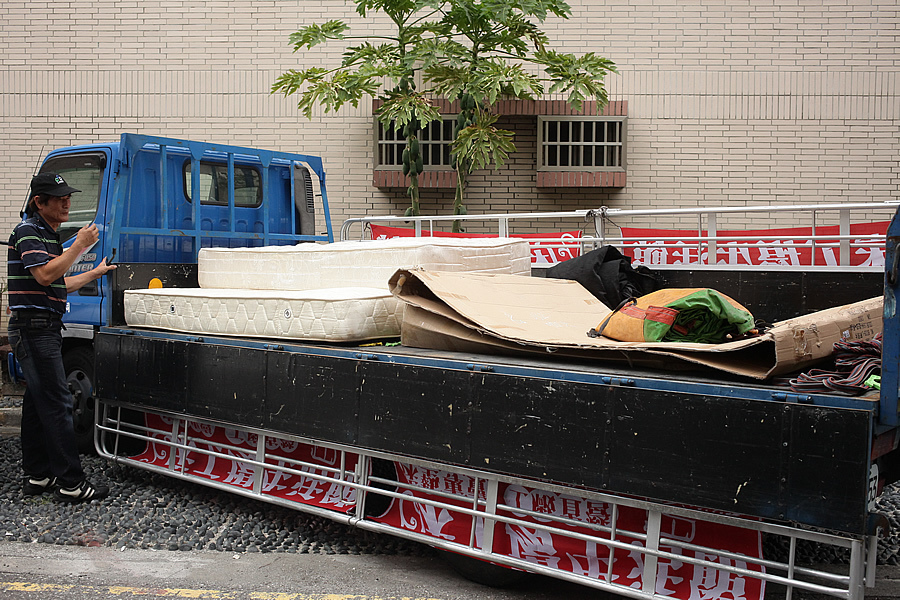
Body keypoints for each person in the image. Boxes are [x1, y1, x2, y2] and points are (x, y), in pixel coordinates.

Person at [7, 172, 116, 502]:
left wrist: (95, 272)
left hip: (41, 328)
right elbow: (45, 274)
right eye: (59, 198)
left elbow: (57, 283)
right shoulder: (28, 231)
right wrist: (78, 245)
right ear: (39, 202)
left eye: (68, 196)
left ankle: (38, 476)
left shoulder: (46, 234)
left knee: (37, 406)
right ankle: (71, 483)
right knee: (57, 404)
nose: (67, 201)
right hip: (35, 329)